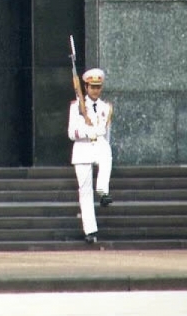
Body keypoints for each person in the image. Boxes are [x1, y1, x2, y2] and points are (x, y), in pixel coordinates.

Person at [67, 67, 113, 244]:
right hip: (82, 149)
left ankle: (102, 191)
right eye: (92, 87)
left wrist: (99, 135)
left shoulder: (106, 108)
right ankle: (90, 230)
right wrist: (88, 131)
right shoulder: (76, 107)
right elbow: (72, 133)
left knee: (107, 153)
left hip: (98, 145)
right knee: (85, 191)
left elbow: (107, 134)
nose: (95, 90)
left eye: (98, 87)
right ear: (86, 87)